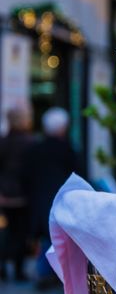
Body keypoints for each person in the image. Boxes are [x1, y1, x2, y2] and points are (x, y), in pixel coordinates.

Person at [21, 107, 78, 289]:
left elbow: (25, 176)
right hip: (62, 199)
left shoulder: (34, 149)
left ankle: (45, 272)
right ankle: (54, 273)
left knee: (46, 236)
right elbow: (78, 175)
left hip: (39, 199)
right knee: (59, 236)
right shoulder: (67, 149)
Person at [0, 104, 33, 281]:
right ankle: (19, 271)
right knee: (21, 234)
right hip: (23, 196)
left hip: (5, 196)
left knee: (6, 233)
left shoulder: (3, 142)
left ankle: (3, 267)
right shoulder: (31, 143)